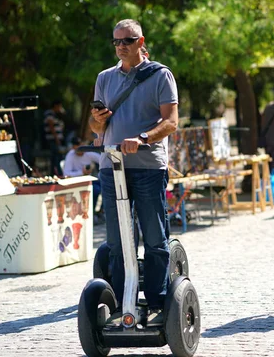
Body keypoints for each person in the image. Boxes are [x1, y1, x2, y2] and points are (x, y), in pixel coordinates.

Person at [89, 19, 178, 327]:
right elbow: (95, 127)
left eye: (126, 40)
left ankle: (156, 302)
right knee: (117, 240)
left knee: (154, 238)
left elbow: (171, 122)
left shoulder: (160, 75)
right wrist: (98, 122)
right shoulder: (104, 78)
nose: (120, 46)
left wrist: (142, 138)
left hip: (148, 166)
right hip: (111, 167)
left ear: (141, 42)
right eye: (116, 41)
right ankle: (118, 302)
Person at [63, 137, 102, 221]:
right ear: (73, 147)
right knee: (95, 190)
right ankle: (91, 213)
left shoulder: (88, 153)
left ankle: (100, 212)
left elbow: (102, 159)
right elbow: (66, 173)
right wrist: (82, 172)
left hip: (89, 180)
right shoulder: (70, 155)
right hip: (77, 182)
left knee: (106, 186)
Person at [43, 100, 65, 176]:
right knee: (55, 157)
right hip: (53, 139)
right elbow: (51, 126)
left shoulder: (55, 115)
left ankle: (56, 173)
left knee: (57, 157)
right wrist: (56, 138)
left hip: (56, 139)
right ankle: (55, 173)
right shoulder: (49, 114)